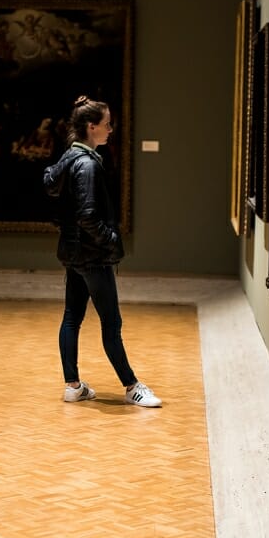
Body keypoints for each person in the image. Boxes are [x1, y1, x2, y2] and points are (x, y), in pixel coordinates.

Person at [43, 96, 162, 407]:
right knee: (111, 324)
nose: (111, 129)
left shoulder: (69, 159)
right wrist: (110, 240)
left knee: (72, 317)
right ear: (91, 127)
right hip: (93, 257)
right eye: (107, 124)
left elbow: (63, 211)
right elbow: (87, 215)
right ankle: (132, 386)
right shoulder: (86, 165)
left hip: (73, 253)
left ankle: (73, 386)